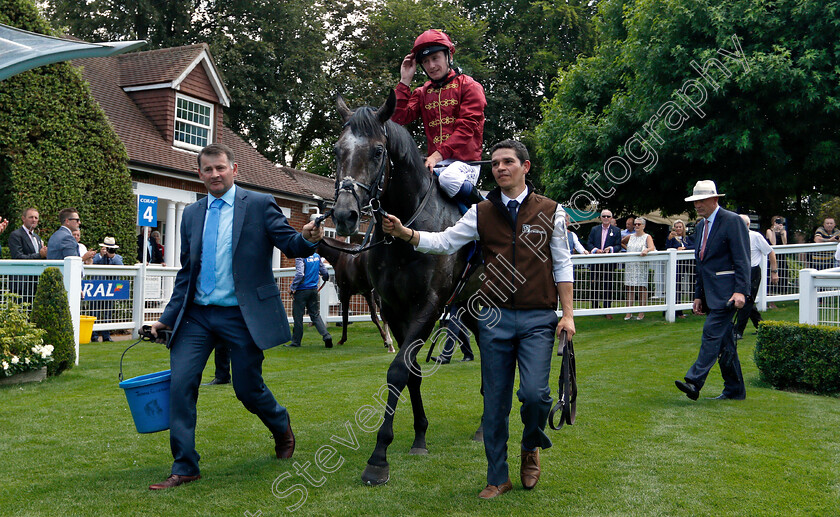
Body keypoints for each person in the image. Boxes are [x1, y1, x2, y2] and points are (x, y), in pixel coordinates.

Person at [382, 140, 575, 499]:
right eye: (496, 163)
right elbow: (444, 241)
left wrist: (567, 314)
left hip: (538, 318)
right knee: (495, 403)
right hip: (495, 319)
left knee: (535, 396)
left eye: (508, 162)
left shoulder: (552, 211)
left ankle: (530, 445)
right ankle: (497, 477)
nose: (500, 168)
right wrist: (406, 233)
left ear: (525, 167)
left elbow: (563, 264)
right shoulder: (480, 212)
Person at [148, 143, 324, 490]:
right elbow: (187, 271)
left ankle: (280, 423)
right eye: (208, 170)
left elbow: (290, 242)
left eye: (220, 168)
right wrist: (165, 319)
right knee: (181, 384)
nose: (215, 174)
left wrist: (307, 237)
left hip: (241, 316)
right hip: (196, 316)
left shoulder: (258, 205)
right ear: (199, 174)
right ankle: (185, 466)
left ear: (234, 169)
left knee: (247, 389)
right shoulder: (192, 214)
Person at [392, 29, 487, 208]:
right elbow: (398, 118)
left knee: (449, 179)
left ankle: (484, 210)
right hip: (434, 165)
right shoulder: (422, 92)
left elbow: (466, 128)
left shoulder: (470, 86)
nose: (431, 65)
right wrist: (405, 81)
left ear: (448, 56)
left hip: (466, 165)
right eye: (426, 61)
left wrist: (437, 156)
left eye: (435, 58)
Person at [675, 180, 749, 401]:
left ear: (715, 199)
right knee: (725, 344)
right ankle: (734, 390)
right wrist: (698, 295)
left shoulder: (732, 221)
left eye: (702, 200)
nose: (698, 205)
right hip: (711, 294)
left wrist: (741, 291)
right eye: (695, 201)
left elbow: (742, 260)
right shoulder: (700, 226)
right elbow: (702, 264)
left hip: (729, 294)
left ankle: (694, 382)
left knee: (710, 333)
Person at [734, 215, 779, 340]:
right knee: (748, 301)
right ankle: (761, 326)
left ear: (747, 225)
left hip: (752, 271)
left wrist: (774, 272)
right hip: (739, 272)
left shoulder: (756, 236)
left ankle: (738, 331)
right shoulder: (734, 236)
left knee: (747, 301)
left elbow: (771, 252)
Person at [286, 252, 333, 349]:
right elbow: (325, 273)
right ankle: (326, 335)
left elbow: (300, 274)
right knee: (315, 315)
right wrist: (325, 277)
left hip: (301, 291)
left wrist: (292, 287)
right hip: (313, 290)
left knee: (298, 316)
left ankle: (296, 341)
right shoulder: (316, 256)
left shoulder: (300, 256)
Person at [586, 209, 622, 318]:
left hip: (608, 262)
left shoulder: (616, 230)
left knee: (608, 285)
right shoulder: (594, 229)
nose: (606, 218)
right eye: (604, 216)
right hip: (596, 262)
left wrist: (610, 249)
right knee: (594, 285)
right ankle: (595, 308)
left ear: (611, 218)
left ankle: (607, 309)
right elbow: (589, 243)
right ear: (601, 218)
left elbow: (618, 245)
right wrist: (595, 250)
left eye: (608, 216)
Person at [91, 237, 124, 342]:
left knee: (108, 312)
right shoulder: (98, 257)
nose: (109, 251)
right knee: (94, 312)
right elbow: (92, 263)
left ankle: (106, 336)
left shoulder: (117, 258)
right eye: (107, 248)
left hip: (110, 289)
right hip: (97, 288)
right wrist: (101, 255)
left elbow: (121, 266)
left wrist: (112, 256)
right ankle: (94, 336)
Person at [622, 217, 655, 320]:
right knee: (630, 287)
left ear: (643, 226)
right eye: (635, 224)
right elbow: (622, 242)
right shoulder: (630, 236)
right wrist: (628, 249)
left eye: (639, 224)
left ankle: (641, 312)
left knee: (642, 287)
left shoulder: (647, 237)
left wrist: (646, 250)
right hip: (630, 265)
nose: (636, 226)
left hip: (641, 265)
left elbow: (652, 247)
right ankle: (629, 312)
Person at [665, 219, 694, 318]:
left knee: (687, 285)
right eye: (676, 227)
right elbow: (667, 248)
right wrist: (669, 239)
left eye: (680, 227)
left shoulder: (686, 239)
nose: (678, 229)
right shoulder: (671, 238)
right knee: (675, 287)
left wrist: (684, 249)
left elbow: (693, 246)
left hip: (686, 264)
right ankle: (677, 312)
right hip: (675, 265)